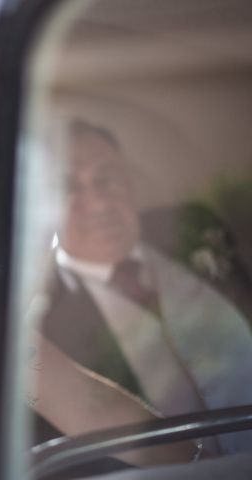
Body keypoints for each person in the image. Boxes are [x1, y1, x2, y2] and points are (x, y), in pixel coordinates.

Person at [36, 119, 252, 455]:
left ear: (129, 178)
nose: (97, 203)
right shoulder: (43, 318)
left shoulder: (195, 228)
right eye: (68, 188)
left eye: (105, 178)